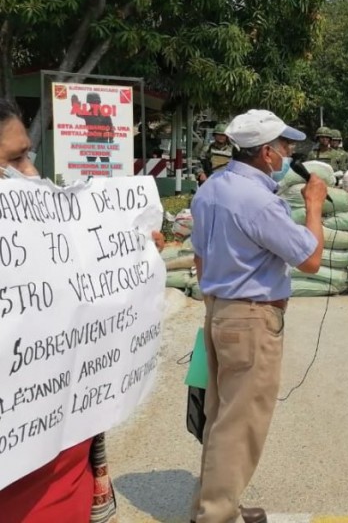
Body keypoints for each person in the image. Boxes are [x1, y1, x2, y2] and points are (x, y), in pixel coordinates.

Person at [0, 98, 164, 523]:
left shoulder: (36, 258)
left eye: (27, 156)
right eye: (12, 161)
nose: (31, 175)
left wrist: (131, 264)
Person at [189, 109, 327, 523]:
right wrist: (314, 206)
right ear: (266, 153)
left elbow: (198, 256)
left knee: (221, 415)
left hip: (220, 311)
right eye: (285, 146)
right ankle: (215, 516)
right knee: (241, 422)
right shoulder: (260, 202)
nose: (289, 153)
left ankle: (216, 503)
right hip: (250, 319)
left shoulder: (212, 188)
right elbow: (311, 258)